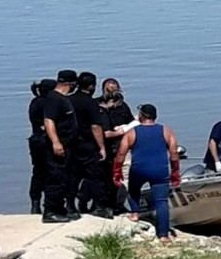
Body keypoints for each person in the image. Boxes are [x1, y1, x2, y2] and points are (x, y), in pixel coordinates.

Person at [112, 104, 180, 244]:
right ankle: (164, 235)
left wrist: (117, 171)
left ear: (141, 116)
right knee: (161, 202)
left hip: (139, 169)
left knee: (133, 189)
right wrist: (175, 173)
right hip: (160, 170)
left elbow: (121, 153)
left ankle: (135, 213)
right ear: (156, 116)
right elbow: (174, 153)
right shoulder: (166, 131)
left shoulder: (132, 132)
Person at [69, 72, 109, 219]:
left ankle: (70, 206)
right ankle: (99, 207)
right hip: (87, 143)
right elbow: (95, 126)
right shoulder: (90, 103)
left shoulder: (69, 100)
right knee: (95, 175)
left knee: (73, 175)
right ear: (92, 86)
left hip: (72, 143)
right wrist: (101, 147)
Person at [41, 69, 80, 223]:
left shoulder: (63, 99)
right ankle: (50, 211)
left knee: (65, 178)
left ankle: (60, 208)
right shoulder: (54, 99)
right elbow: (48, 121)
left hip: (68, 145)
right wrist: (56, 142)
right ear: (70, 83)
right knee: (56, 177)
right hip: (58, 146)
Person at [97, 78, 135, 214]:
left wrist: (127, 130)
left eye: (115, 89)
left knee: (125, 177)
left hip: (122, 147)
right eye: (109, 89)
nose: (112, 92)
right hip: (103, 147)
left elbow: (131, 124)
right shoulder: (97, 106)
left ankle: (118, 204)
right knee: (104, 178)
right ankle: (100, 204)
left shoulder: (123, 106)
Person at [27, 78, 57, 214]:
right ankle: (50, 204)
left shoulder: (34, 102)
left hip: (35, 140)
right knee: (52, 172)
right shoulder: (50, 104)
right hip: (47, 141)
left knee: (37, 172)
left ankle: (35, 203)